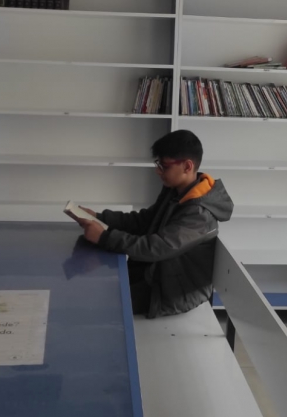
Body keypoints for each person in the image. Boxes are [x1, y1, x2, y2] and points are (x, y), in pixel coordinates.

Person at [78, 129, 233, 318]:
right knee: (91, 286)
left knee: (97, 303)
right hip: (157, 273)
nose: (158, 171)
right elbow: (144, 220)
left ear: (187, 166)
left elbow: (156, 248)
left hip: (172, 292)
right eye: (158, 164)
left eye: (164, 166)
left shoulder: (199, 214)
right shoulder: (175, 190)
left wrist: (104, 237)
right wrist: (100, 217)